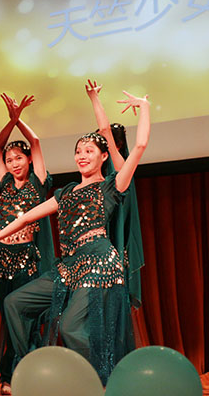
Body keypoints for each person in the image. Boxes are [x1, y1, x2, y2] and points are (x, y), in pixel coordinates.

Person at [0, 90, 150, 384]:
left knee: (70, 328)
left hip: (98, 265)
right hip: (68, 266)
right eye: (78, 151)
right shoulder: (65, 193)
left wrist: (143, 107)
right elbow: (26, 217)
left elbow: (139, 145)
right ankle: (31, 365)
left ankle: (102, 381)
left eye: (89, 151)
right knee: (14, 303)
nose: (82, 156)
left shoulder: (111, 186)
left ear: (104, 156)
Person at [0, 93, 55, 393]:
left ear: (29, 159)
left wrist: (19, 120)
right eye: (9, 160)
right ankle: (13, 374)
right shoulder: (5, 182)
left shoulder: (38, 183)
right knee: (8, 317)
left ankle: (22, 373)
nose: (13, 163)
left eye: (18, 158)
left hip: (27, 257)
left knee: (25, 318)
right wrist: (10, 121)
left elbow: (36, 141)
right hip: (0, 258)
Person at [86, 79, 145, 308]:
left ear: (115, 145)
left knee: (112, 301)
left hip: (112, 238)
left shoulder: (122, 167)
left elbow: (104, 131)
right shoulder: (95, 173)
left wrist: (95, 99)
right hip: (95, 241)